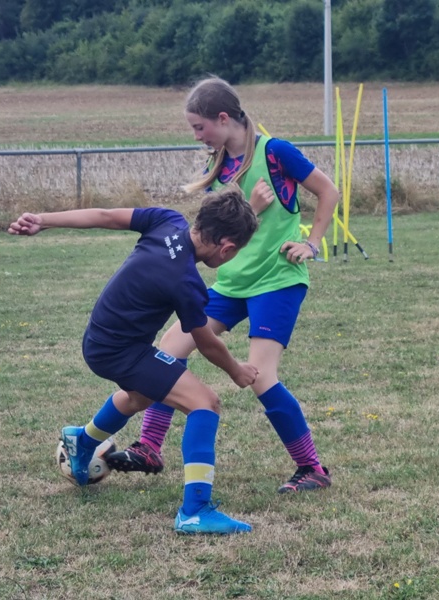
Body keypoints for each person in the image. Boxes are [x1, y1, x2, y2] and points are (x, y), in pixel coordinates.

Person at [105, 76, 340, 494]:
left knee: (261, 376)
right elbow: (223, 225)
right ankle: (149, 447)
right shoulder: (217, 165)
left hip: (276, 280)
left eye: (200, 127)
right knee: (166, 352)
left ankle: (312, 468)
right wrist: (249, 207)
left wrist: (312, 243)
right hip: (231, 284)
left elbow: (329, 191)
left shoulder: (276, 152)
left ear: (224, 117)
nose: (197, 136)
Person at [8, 188, 260, 535]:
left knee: (141, 397)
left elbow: (105, 216)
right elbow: (206, 343)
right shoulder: (185, 280)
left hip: (102, 339)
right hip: (119, 350)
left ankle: (82, 441)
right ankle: (195, 512)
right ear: (227, 248)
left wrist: (43, 220)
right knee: (205, 403)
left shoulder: (168, 221)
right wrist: (236, 369)